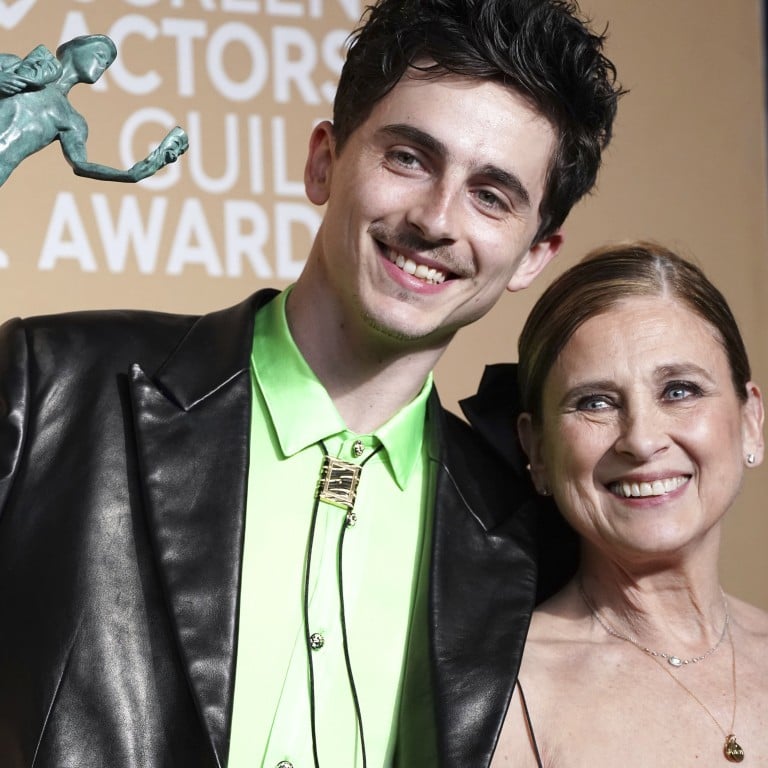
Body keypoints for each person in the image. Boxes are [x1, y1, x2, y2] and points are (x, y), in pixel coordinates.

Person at [0, 2, 621, 766]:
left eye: (492, 196)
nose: (436, 218)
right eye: (408, 158)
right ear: (323, 161)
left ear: (533, 255)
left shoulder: (525, 537)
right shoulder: (49, 386)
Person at [473, 242, 767, 766]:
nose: (641, 438)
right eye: (596, 402)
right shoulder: (497, 699)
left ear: (751, 422)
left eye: (679, 390)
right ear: (536, 450)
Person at [0, 35, 188, 186]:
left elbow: (81, 165)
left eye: (106, 64)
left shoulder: (72, 120)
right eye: (99, 56)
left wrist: (130, 174)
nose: (102, 65)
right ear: (73, 50)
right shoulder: (15, 66)